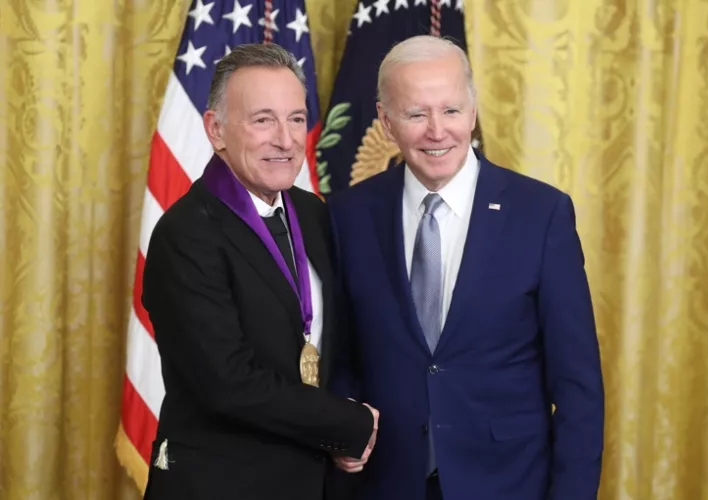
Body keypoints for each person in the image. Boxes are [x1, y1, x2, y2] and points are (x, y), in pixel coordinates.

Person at [327, 35, 604, 500]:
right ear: (386, 122)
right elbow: (342, 358)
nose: (437, 131)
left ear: (473, 112)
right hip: (385, 483)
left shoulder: (541, 214)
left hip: (509, 484)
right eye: (416, 114)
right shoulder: (347, 215)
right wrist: (342, 429)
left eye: (451, 110)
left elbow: (578, 387)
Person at [141, 43, 378, 500]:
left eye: (296, 118)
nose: (286, 140)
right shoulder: (185, 234)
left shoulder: (312, 213)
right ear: (216, 129)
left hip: (316, 482)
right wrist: (348, 424)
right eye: (263, 120)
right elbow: (227, 382)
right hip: (220, 486)